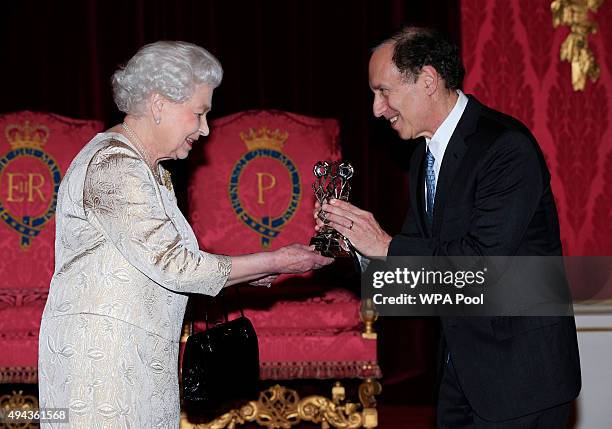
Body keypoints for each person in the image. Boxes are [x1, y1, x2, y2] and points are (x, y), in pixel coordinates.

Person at [38, 41, 332, 428]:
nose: (205, 129)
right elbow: (175, 265)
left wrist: (252, 272)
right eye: (199, 113)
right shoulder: (115, 164)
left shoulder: (147, 167)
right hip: (102, 365)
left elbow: (163, 263)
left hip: (134, 358)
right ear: (159, 104)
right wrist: (279, 260)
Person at [316, 27, 581, 427]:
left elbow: (481, 266)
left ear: (427, 81)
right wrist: (345, 244)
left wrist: (385, 245)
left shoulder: (505, 148)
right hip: (459, 375)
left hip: (521, 382)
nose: (377, 108)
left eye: (383, 91)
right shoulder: (423, 158)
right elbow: (415, 269)